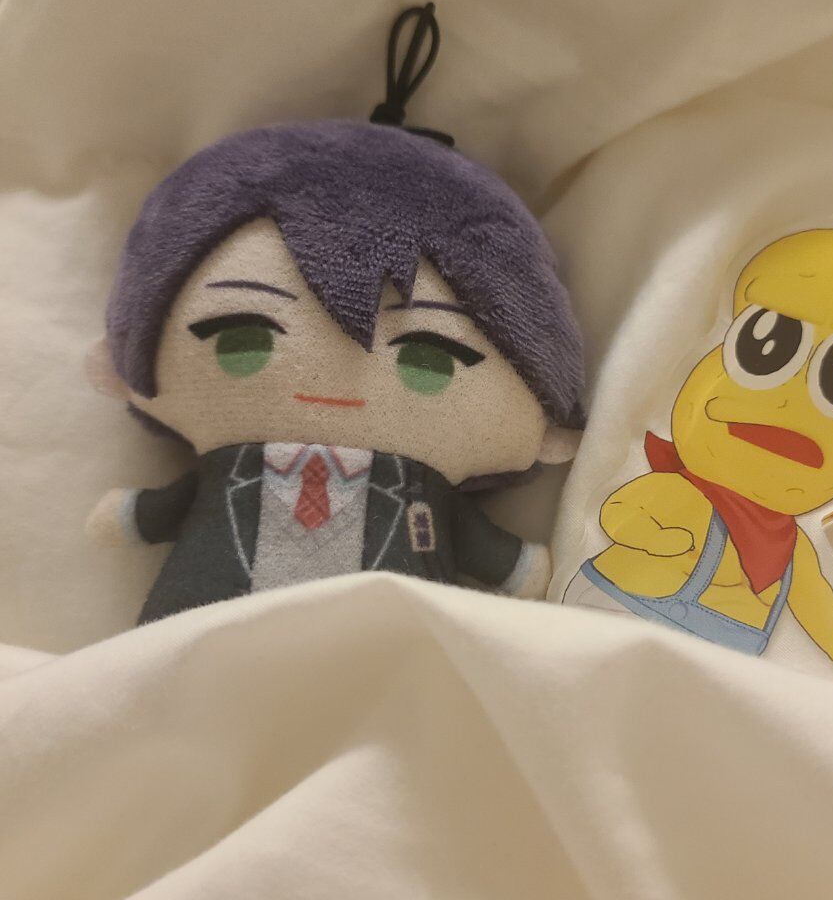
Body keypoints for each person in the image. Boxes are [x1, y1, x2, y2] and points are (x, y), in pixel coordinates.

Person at [87, 119, 584, 623]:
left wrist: (513, 565)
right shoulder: (229, 473)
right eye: (246, 342)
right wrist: (135, 516)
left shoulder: (421, 494)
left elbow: (478, 544)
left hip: (384, 653)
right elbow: (167, 509)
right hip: (207, 645)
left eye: (426, 363)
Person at [563, 227, 833, 682]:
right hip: (618, 613)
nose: (792, 400)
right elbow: (619, 509)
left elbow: (811, 595)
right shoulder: (684, 495)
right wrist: (652, 537)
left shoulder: (789, 542)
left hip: (716, 664)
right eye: (767, 347)